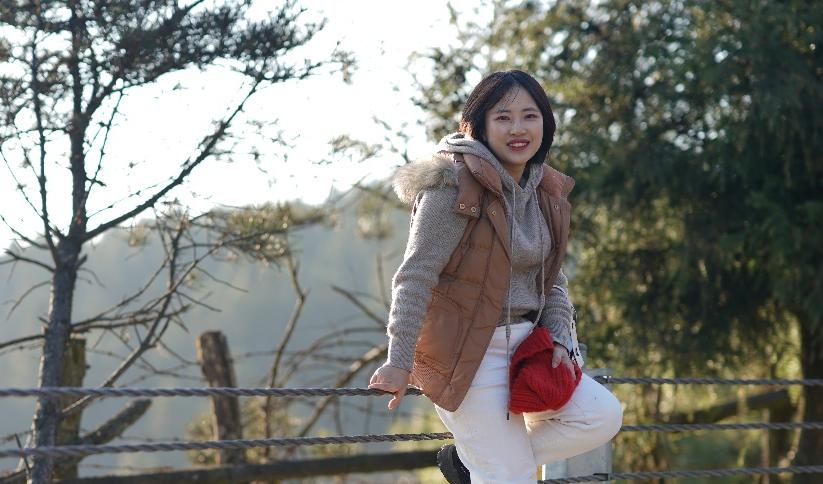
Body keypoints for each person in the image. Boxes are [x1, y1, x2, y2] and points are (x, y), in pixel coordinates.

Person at [368, 70, 623, 484]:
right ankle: (490, 463)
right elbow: (415, 277)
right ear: (480, 125)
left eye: (529, 116)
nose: (518, 129)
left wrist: (561, 337)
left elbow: (552, 279)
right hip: (467, 355)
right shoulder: (452, 185)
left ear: (545, 124)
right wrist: (398, 361)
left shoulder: (544, 189)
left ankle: (475, 462)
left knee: (601, 417)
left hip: (528, 350)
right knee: (510, 474)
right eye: (503, 117)